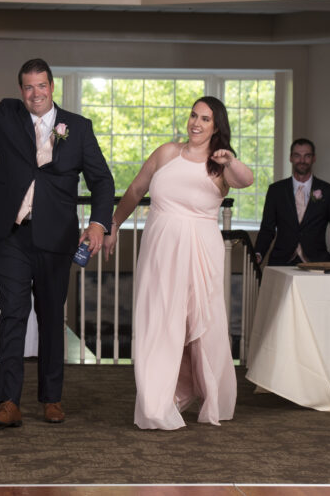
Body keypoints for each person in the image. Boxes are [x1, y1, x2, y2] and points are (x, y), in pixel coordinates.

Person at [0, 53, 114, 429]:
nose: (35, 93)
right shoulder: (7, 115)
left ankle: (51, 398)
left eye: (41, 86)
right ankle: (8, 401)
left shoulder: (78, 128)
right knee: (13, 313)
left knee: (51, 318)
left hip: (56, 238)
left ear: (52, 87)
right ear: (21, 91)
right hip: (13, 235)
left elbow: (102, 180)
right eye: (28, 87)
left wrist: (100, 224)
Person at [102, 96, 254, 430]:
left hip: (200, 252)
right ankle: (158, 402)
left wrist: (230, 159)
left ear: (217, 126)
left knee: (199, 325)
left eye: (205, 119)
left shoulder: (221, 164)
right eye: (193, 116)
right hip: (159, 250)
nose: (196, 124)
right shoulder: (167, 152)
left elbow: (247, 180)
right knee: (159, 321)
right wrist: (113, 224)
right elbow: (136, 189)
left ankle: (199, 391)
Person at [254, 138, 330, 266]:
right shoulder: (276, 190)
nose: (302, 161)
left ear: (314, 158)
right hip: (281, 262)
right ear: (291, 158)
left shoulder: (329, 192)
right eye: (297, 156)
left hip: (317, 263)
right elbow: (267, 229)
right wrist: (258, 253)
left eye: (307, 156)